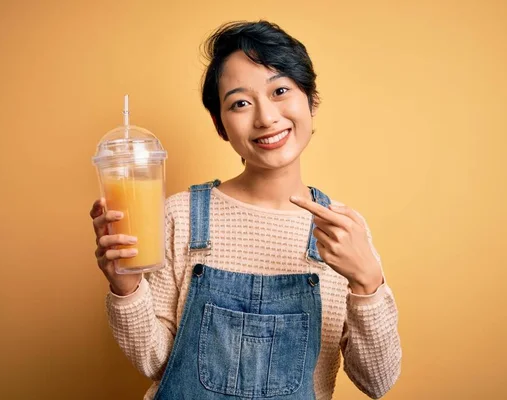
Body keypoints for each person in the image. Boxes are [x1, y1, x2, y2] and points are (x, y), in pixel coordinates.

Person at [90, 20, 401, 400]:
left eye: (281, 90)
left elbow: (377, 381)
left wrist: (367, 284)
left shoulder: (342, 231)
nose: (266, 117)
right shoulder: (180, 216)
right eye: (240, 103)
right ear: (220, 124)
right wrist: (125, 287)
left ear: (310, 100)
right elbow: (156, 362)